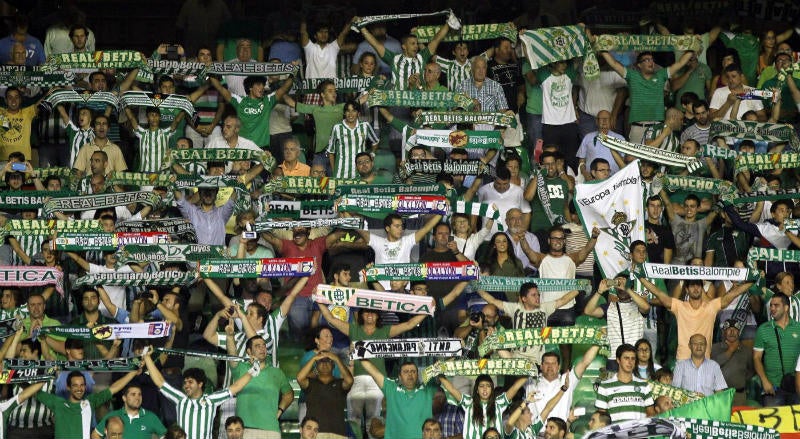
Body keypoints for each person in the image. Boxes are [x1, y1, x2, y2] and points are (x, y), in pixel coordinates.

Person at [316, 304, 427, 437]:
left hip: (377, 381)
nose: (370, 315)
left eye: (373, 312)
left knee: (374, 421)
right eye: (367, 312)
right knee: (353, 419)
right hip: (356, 379)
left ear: (378, 316)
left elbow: (409, 324)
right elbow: (331, 319)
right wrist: (319, 300)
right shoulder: (354, 329)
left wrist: (427, 310)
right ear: (361, 314)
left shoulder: (385, 330)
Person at [143, 347, 258, 439]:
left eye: (190, 382)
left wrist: (253, 370)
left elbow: (236, 387)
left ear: (200, 384)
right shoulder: (180, 399)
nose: (186, 385)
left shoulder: (211, 400)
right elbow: (160, 382)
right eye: (185, 382)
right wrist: (147, 357)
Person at [639, 275, 754, 361]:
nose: (695, 288)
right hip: (683, 359)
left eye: (698, 285)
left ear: (702, 289)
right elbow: (659, 294)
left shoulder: (711, 307)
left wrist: (752, 281)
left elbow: (731, 295)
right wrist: (641, 278)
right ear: (687, 290)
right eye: (692, 285)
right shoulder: (680, 306)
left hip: (704, 361)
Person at [598, 49, 694, 143]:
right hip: (638, 127)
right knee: (634, 158)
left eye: (652, 59)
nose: (651, 62)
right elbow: (614, 64)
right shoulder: (632, 76)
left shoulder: (660, 75)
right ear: (639, 65)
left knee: (655, 158)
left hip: (657, 127)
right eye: (647, 60)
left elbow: (680, 63)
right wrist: (602, 49)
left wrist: (692, 47)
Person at [476, 282, 579, 362]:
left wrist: (580, 287)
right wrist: (476, 286)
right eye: (533, 295)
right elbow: (493, 301)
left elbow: (563, 300)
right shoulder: (515, 308)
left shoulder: (544, 308)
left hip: (537, 361)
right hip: (517, 360)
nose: (537, 297)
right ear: (524, 298)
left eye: (538, 295)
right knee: (496, 341)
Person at [36, 369, 139, 439]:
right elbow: (32, 391)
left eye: (82, 385)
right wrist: (19, 376)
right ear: (68, 387)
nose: (79, 389)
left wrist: (133, 372)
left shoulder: (90, 402)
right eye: (75, 385)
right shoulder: (58, 403)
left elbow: (114, 388)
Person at [227, 335, 294, 438]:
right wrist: (230, 336)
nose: (262, 348)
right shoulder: (241, 368)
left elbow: (289, 394)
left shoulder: (277, 372)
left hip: (271, 431)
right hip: (246, 430)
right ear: (248, 351)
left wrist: (280, 410)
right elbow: (232, 355)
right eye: (257, 346)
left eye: (264, 345)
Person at [358, 16, 451, 90]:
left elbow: (436, 40)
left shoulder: (422, 57)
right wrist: (361, 27)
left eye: (416, 43)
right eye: (412, 44)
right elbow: (375, 44)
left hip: (419, 102)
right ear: (404, 46)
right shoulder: (394, 58)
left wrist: (449, 23)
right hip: (400, 103)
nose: (416, 46)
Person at [523, 344, 601, 431]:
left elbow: (585, 362)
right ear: (541, 366)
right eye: (546, 363)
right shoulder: (530, 381)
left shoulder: (567, 379)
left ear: (558, 366)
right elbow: (510, 363)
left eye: (553, 363)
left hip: (560, 435)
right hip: (534, 435)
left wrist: (599, 342)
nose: (550, 366)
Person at [360, 359, 439, 439]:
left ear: (417, 375)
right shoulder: (392, 389)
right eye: (406, 372)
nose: (410, 374)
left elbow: (444, 368)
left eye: (413, 371)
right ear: (400, 377)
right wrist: (357, 352)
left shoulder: (428, 390)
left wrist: (439, 367)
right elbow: (373, 371)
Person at [439, 374, 527, 439]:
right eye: (481, 386)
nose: (485, 389)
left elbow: (515, 387)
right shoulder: (469, 402)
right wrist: (439, 374)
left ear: (492, 389)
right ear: (477, 390)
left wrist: (529, 373)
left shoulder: (499, 403)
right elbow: (452, 390)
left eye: (488, 386)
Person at [754, 293, 800, 406]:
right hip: (772, 388)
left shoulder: (798, 328)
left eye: (776, 305)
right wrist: (765, 381)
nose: (772, 308)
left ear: (786, 308)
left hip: (796, 387)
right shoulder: (763, 329)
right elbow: (756, 358)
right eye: (771, 305)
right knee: (772, 423)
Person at [297, 350, 353, 438]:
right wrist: (314, 358)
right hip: (315, 434)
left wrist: (337, 359)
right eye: (321, 361)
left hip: (338, 434)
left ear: (333, 365)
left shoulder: (340, 383)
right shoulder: (310, 383)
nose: (324, 364)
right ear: (316, 366)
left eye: (328, 361)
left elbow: (350, 381)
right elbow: (299, 378)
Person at [595, 344, 655, 422]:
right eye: (626, 358)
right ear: (618, 360)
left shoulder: (644, 385)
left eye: (633, 359)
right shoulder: (604, 386)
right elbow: (601, 419)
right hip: (615, 433)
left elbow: (651, 414)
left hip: (639, 433)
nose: (630, 362)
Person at [327, 100, 379, 178]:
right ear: (344, 113)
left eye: (354, 111)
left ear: (358, 113)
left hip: (360, 172)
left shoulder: (365, 126)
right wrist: (334, 171)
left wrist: (372, 154)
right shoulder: (337, 127)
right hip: (341, 172)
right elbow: (331, 151)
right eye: (348, 111)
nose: (350, 114)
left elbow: (375, 141)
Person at [93, 385, 167, 439]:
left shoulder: (151, 417)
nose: (137, 398)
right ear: (124, 398)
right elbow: (95, 435)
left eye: (139, 394)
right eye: (133, 394)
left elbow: (165, 436)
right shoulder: (113, 416)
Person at [712, 319, 754, 406]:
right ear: (724, 332)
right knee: (719, 419)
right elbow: (713, 366)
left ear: (739, 332)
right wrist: (731, 350)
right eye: (729, 329)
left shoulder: (746, 350)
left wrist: (740, 381)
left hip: (739, 395)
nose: (732, 332)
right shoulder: (715, 348)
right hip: (720, 394)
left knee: (738, 419)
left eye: (735, 329)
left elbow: (751, 370)